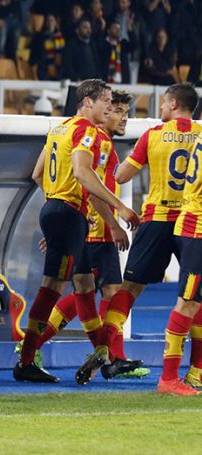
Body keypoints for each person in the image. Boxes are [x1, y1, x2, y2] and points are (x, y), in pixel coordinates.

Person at [14, 79, 140, 384]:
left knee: (83, 286)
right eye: (106, 101)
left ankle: (104, 354)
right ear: (87, 102)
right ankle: (26, 358)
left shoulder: (59, 129)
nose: (110, 107)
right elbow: (84, 175)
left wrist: (57, 207)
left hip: (62, 212)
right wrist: (118, 211)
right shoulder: (89, 133)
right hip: (69, 214)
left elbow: (38, 173)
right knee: (53, 288)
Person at [92, 82, 202, 393]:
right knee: (194, 298)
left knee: (130, 288)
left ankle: (106, 343)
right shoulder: (199, 135)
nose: (161, 107)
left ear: (173, 104)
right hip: (192, 220)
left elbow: (121, 175)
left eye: (164, 103)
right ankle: (195, 370)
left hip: (157, 218)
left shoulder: (153, 135)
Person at [157, 132, 202, 396]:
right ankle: (168, 379)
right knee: (188, 302)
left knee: (196, 301)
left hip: (193, 224)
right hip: (197, 229)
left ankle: (195, 372)